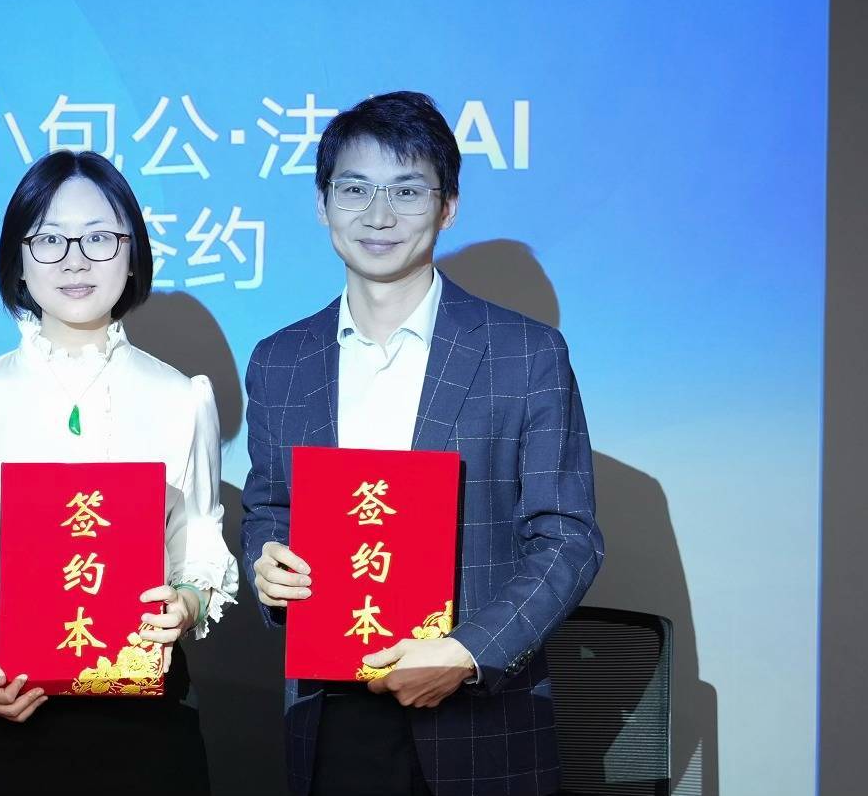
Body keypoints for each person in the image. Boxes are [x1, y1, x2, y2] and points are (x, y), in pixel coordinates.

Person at [241, 91, 604, 796]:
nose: (378, 215)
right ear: (321, 204)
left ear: (448, 207)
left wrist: (467, 652)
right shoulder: (280, 361)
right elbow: (268, 509)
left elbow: (568, 538)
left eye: (406, 191)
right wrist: (266, 563)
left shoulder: (525, 353)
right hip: (332, 715)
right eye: (354, 189)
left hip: (480, 718)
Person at [0, 150, 238, 795]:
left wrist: (186, 604)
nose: (75, 260)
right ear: (19, 260)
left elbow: (198, 551)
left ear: (131, 254)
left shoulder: (180, 398)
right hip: (0, 710)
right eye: (49, 239)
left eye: (99, 238)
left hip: (144, 723)